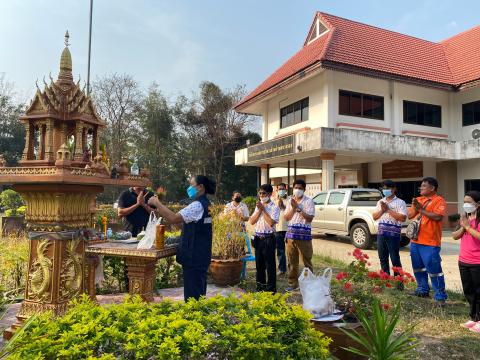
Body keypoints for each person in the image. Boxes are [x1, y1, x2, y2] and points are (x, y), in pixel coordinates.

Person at [149, 175, 216, 301]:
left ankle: (193, 318)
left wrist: (157, 202)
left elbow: (174, 218)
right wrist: (163, 213)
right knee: (198, 292)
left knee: (192, 296)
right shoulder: (206, 204)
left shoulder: (197, 205)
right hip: (201, 255)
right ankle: (199, 316)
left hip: (193, 256)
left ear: (201, 187)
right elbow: (186, 223)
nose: (189, 188)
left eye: (192, 185)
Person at [408, 177, 448, 305]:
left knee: (434, 269)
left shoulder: (439, 200)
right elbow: (409, 216)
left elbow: (437, 217)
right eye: (421, 186)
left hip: (430, 242)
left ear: (432, 188)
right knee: (418, 268)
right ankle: (422, 289)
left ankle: (440, 296)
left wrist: (421, 209)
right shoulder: (419, 200)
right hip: (415, 241)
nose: (421, 188)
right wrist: (415, 206)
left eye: (424, 186)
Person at [452, 190, 480, 333]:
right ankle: (474, 317)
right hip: (463, 260)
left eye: (469, 202)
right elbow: (454, 236)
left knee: (479, 292)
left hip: (477, 262)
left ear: (478, 204)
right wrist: (463, 226)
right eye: (465, 202)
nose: (466, 205)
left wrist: (468, 227)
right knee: (469, 291)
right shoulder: (465, 218)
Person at [372, 180, 407, 282]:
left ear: (394, 189)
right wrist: (382, 210)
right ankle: (385, 280)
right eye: (384, 188)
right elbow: (374, 216)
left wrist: (387, 210)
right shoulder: (380, 202)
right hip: (381, 234)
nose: (386, 190)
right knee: (382, 258)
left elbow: (402, 218)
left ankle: (399, 282)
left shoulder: (400, 202)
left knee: (395, 258)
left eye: (388, 188)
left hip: (393, 235)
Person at [284, 179, 315, 292]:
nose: (298, 190)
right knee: (292, 262)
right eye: (296, 188)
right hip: (291, 236)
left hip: (304, 237)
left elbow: (309, 217)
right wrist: (293, 207)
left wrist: (298, 207)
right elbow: (286, 217)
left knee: (306, 261)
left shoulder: (308, 201)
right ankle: (293, 283)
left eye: (300, 188)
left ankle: (309, 284)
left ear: (304, 189)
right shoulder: (290, 202)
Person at [249, 184, 280, 293]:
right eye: (260, 193)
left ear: (270, 194)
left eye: (264, 193)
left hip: (268, 238)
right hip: (258, 238)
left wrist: (264, 210)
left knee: (270, 266)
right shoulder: (258, 206)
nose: (261, 196)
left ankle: (271, 290)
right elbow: (252, 221)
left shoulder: (274, 207)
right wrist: (259, 210)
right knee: (259, 266)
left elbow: (271, 222)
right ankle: (260, 288)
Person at [275, 183, 288, 276]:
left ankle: (292, 268)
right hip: (278, 229)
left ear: (286, 189)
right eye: (279, 189)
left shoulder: (290, 199)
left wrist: (283, 207)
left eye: (283, 189)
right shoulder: (273, 200)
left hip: (289, 229)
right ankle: (282, 269)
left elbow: (293, 212)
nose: (281, 190)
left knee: (291, 251)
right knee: (280, 250)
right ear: (276, 190)